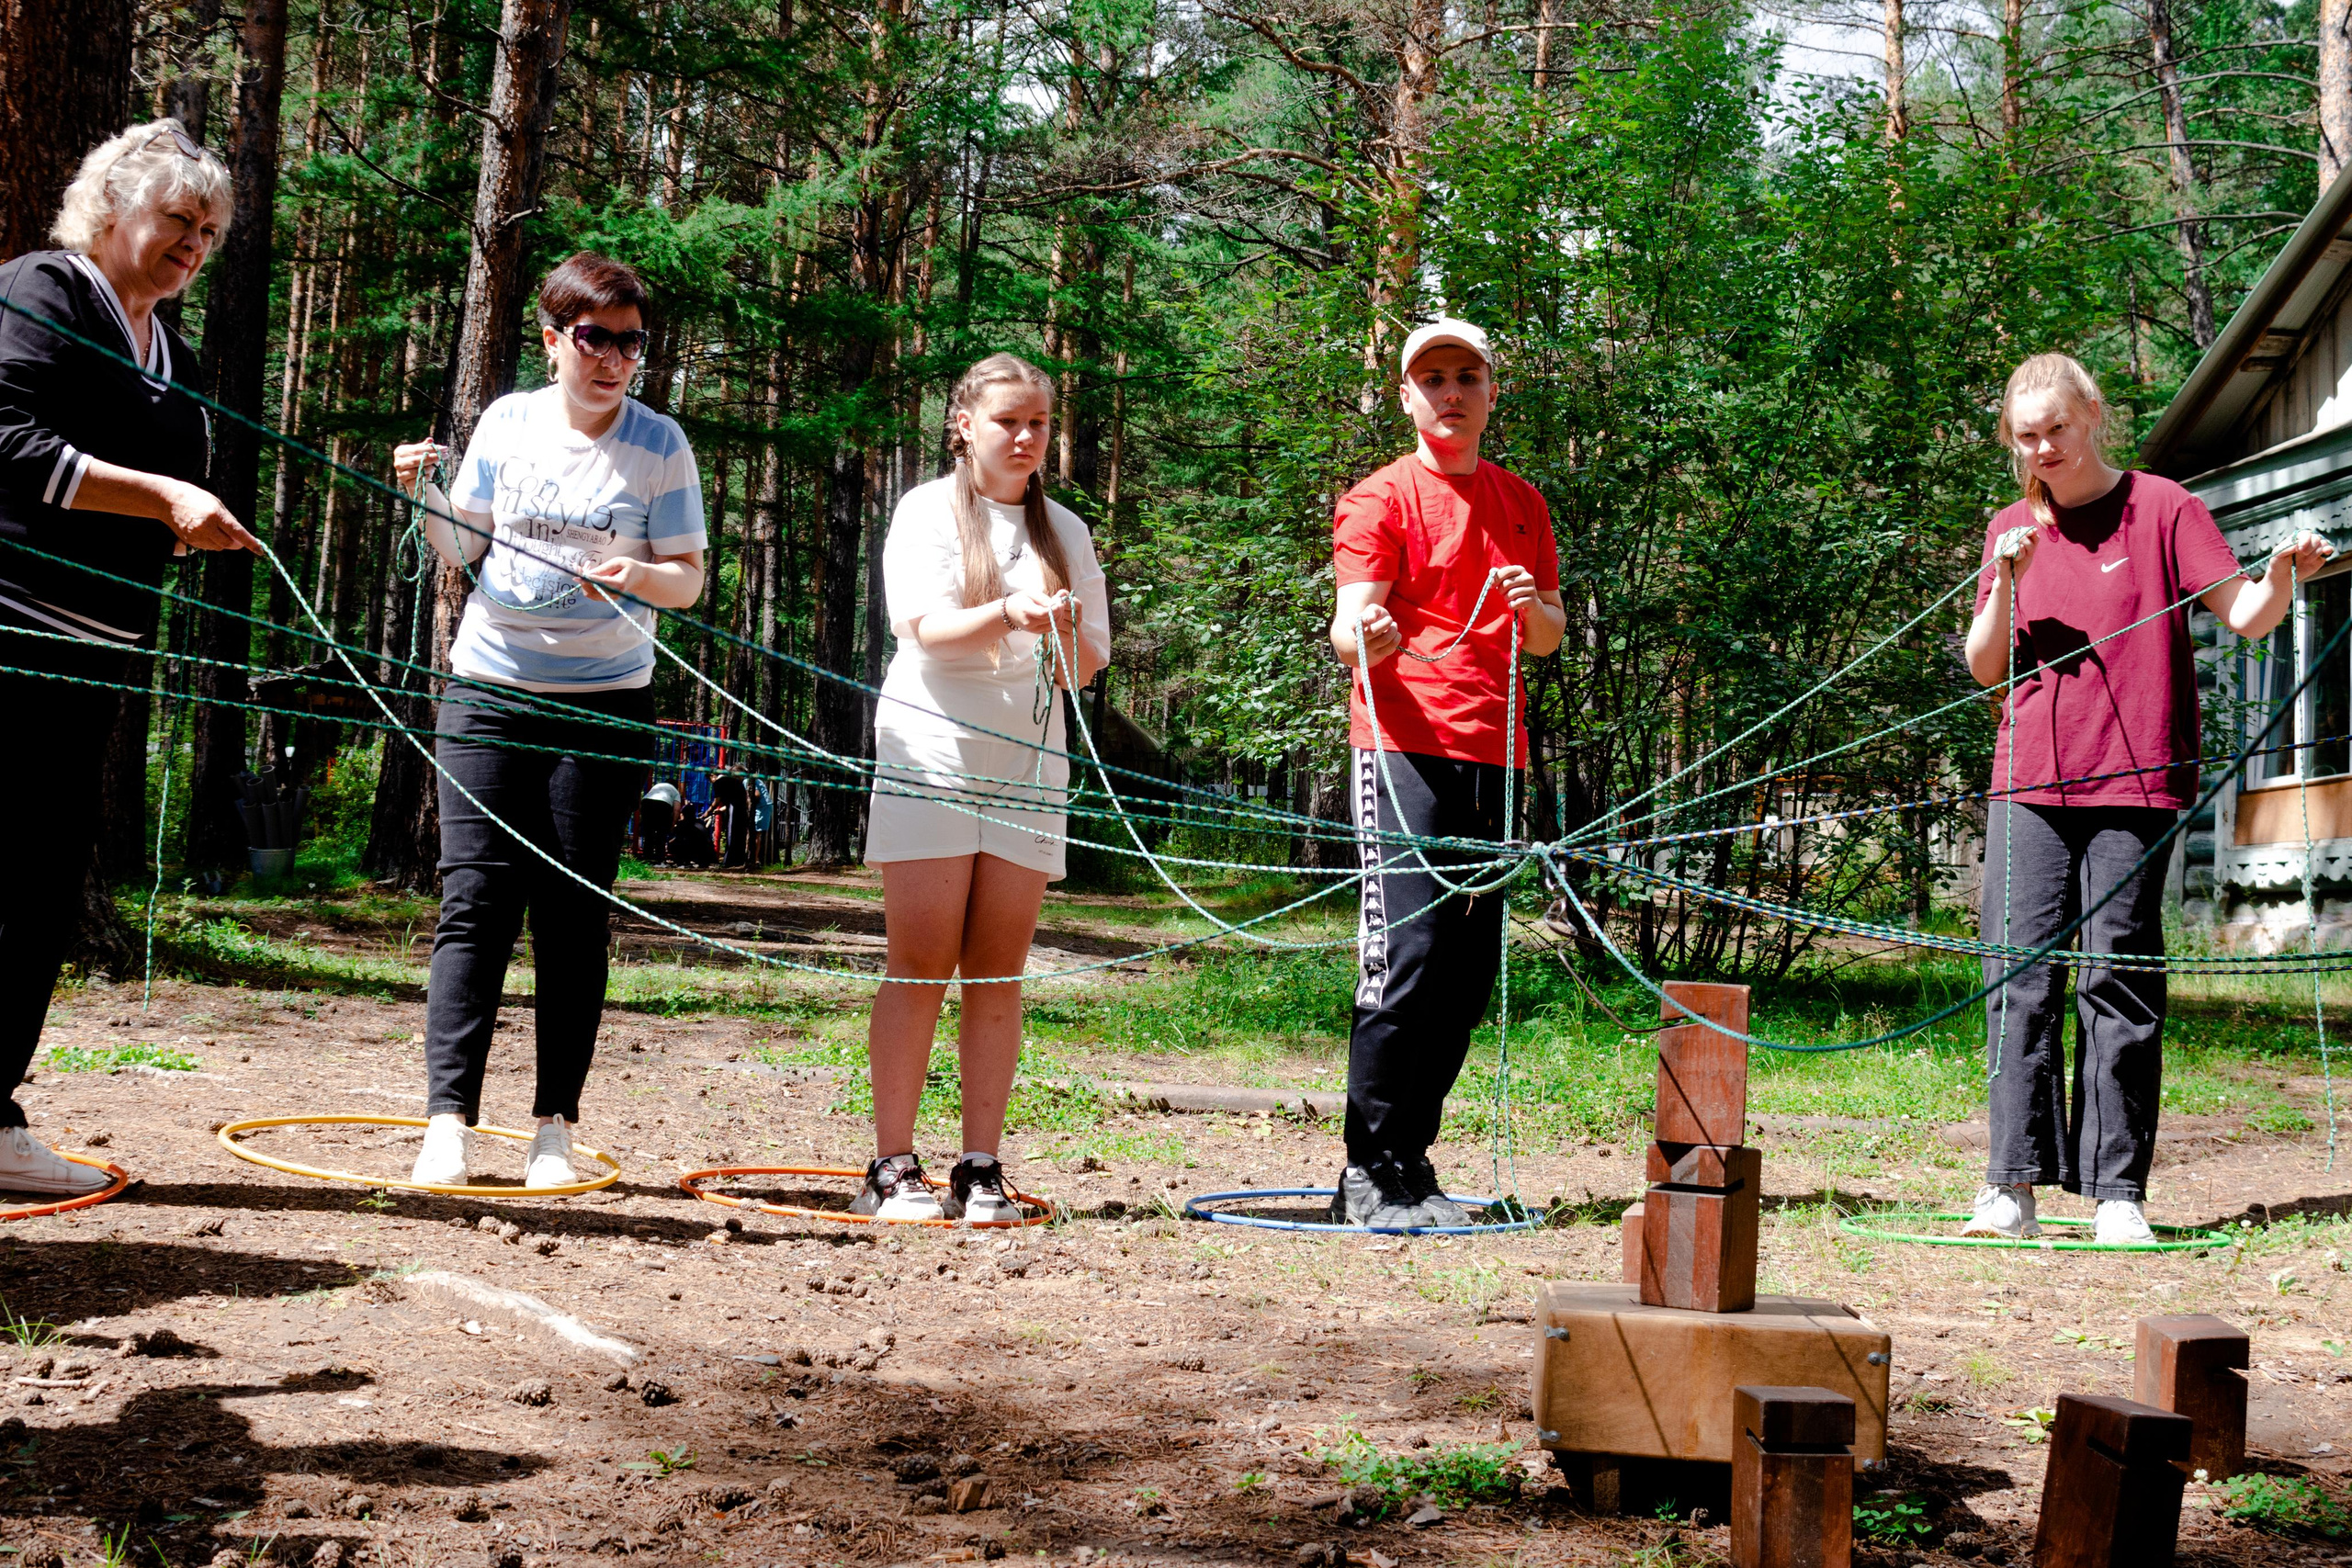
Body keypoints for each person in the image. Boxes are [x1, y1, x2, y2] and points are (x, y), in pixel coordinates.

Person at [1962, 353, 2326, 1243]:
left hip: (2135, 782)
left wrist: (2284, 575)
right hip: (2028, 785)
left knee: (2118, 978)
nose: (2043, 447)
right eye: (2026, 436)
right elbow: (1981, 667)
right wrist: (2006, 579)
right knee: (2017, 979)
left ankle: (2117, 1191)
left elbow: (2244, 614)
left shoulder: (2164, 508)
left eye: (2055, 427)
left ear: (2091, 414)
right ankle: (2009, 1188)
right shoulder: (2011, 527)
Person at [389, 253, 707, 1189]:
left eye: (630, 342)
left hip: (604, 704)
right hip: (489, 688)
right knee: (474, 904)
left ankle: (553, 1130)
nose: (612, 358)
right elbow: (464, 547)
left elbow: (686, 579)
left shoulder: (660, 444)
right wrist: (424, 493)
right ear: (553, 338)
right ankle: (448, 1121)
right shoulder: (508, 421)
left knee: (573, 917)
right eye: (594, 338)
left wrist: (639, 575)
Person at [0, 119, 253, 1196]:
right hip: (10, 633)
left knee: (45, 884)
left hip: (97, 654)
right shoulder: (42, 291)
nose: (193, 244)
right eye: (176, 221)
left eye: (208, 231)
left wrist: (192, 523)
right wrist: (157, 496)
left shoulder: (177, 357)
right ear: (111, 213)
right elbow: (7, 436)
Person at [854, 353, 1108, 1222]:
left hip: (1029, 769)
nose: (1028, 437)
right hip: (929, 752)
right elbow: (921, 631)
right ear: (964, 424)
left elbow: (1089, 662)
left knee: (997, 970)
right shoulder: (925, 510)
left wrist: (1065, 626)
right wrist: (1009, 611)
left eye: (1039, 422)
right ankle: (892, 1166)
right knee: (921, 964)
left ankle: (980, 1166)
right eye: (1009, 421)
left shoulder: (1065, 531)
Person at [1324, 318, 1566, 1228]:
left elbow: (1547, 635)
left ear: (1491, 392)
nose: (1450, 393)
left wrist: (1526, 607)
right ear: (1406, 396)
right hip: (1401, 747)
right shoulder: (1379, 499)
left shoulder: (1522, 503)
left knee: (1465, 974)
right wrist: (1369, 636)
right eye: (1431, 378)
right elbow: (1351, 624)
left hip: (1494, 754)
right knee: (1407, 959)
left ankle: (1409, 1165)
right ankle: (1365, 1172)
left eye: (1466, 376)